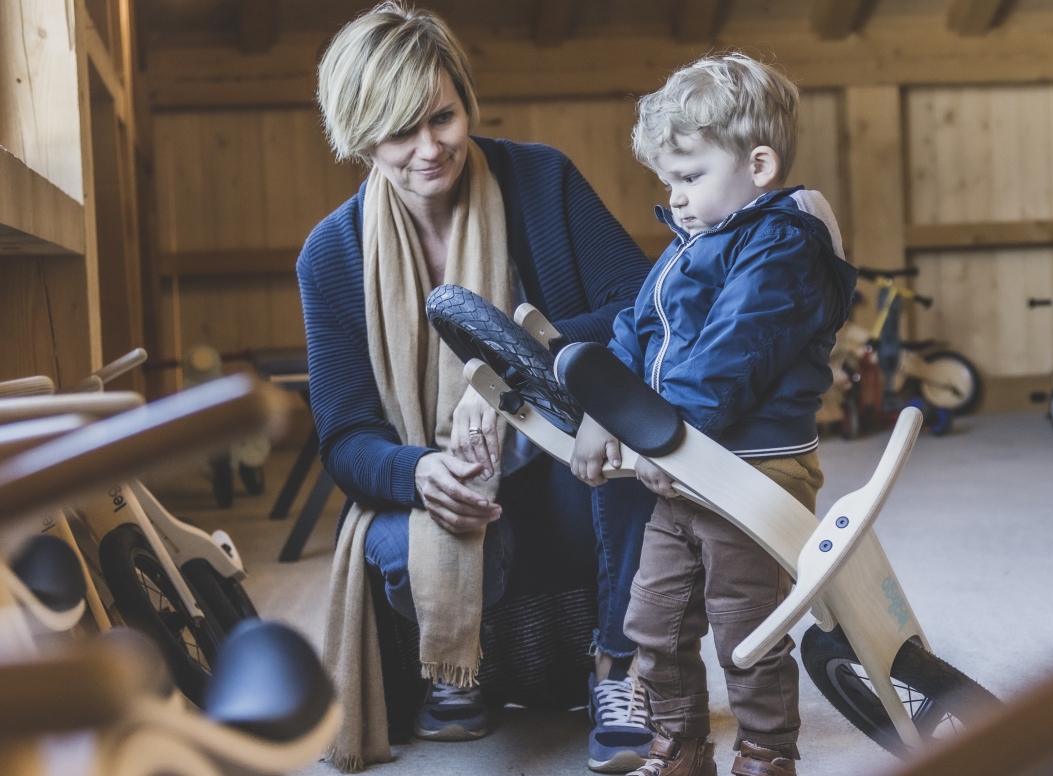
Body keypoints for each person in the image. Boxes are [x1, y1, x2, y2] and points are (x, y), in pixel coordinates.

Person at [297, 4, 657, 772]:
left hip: (560, 462)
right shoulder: (330, 254)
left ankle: (618, 670)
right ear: (358, 137)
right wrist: (418, 471)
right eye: (399, 132)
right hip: (446, 488)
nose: (429, 148)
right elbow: (345, 437)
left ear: (465, 99)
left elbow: (642, 306)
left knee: (635, 457)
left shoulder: (540, 179)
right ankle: (457, 667)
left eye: (442, 117)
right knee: (393, 541)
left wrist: (500, 372)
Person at [571, 54, 857, 776]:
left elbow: (730, 358)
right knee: (654, 624)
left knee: (745, 628)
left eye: (691, 176)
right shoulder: (690, 247)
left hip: (748, 476)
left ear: (759, 164)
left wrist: (659, 435)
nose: (677, 196)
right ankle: (680, 744)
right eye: (669, 180)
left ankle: (765, 751)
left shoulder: (782, 245)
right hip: (680, 471)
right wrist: (607, 408)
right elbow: (636, 327)